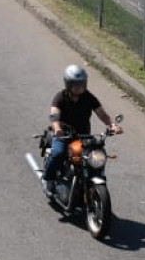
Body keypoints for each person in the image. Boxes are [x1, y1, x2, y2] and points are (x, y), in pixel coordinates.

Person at [43, 64, 120, 198]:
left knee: (96, 155)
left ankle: (92, 182)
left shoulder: (88, 97)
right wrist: (57, 128)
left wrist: (112, 125)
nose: (80, 87)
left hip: (84, 136)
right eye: (76, 84)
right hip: (64, 135)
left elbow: (102, 114)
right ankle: (48, 180)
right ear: (68, 84)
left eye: (82, 84)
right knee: (58, 153)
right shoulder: (60, 97)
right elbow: (54, 115)